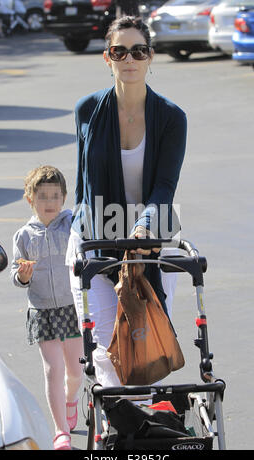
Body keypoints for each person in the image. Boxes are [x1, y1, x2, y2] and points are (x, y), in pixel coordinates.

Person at [67, 16, 187, 388]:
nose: (129, 58)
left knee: (143, 338)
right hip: (96, 237)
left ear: (150, 57)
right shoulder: (87, 109)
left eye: (138, 50)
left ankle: (144, 427)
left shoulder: (171, 118)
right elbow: (83, 182)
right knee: (107, 345)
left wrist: (143, 227)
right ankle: (117, 433)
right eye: (120, 51)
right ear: (107, 58)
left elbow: (165, 186)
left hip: (149, 238)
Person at [10, 165, 84, 451]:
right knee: (53, 370)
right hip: (42, 311)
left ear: (63, 198)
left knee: (76, 371)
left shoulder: (72, 224)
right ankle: (60, 431)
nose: (50, 203)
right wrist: (22, 276)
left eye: (55, 196)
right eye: (43, 196)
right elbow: (17, 276)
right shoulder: (24, 236)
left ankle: (71, 399)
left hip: (72, 307)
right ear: (30, 199)